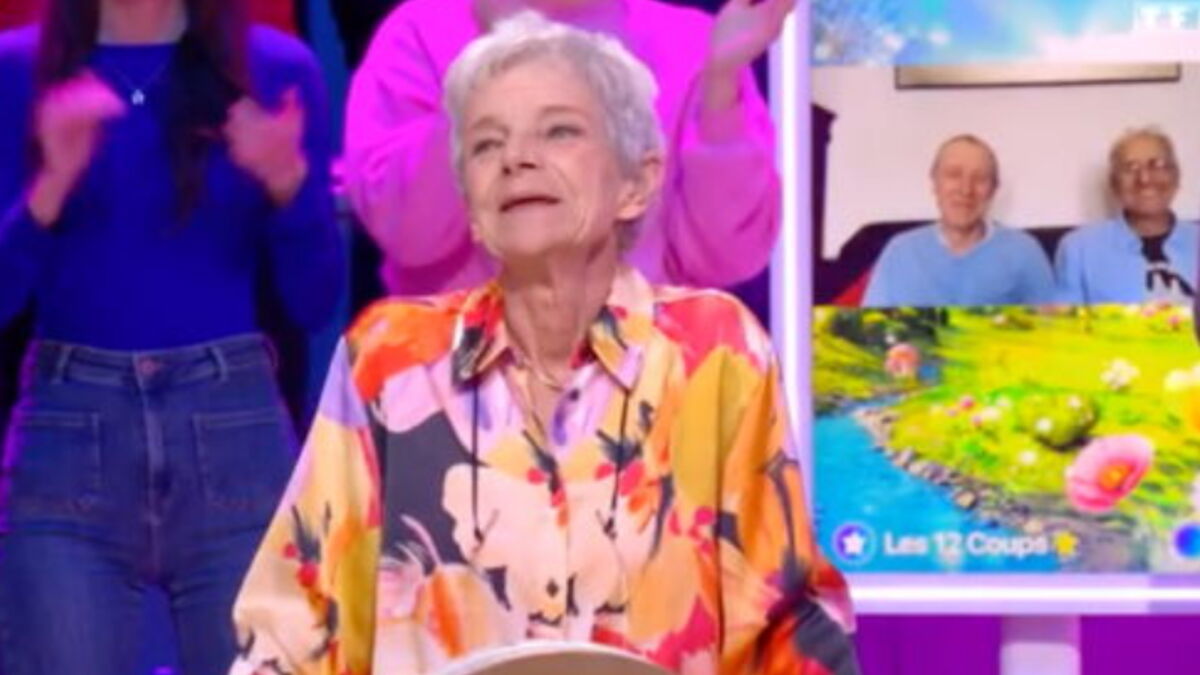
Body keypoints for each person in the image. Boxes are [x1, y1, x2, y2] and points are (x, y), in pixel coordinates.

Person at [231, 14, 858, 675]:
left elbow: (787, 618)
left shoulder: (715, 350)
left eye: (559, 131)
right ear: (472, 207)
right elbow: (292, 625)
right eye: (486, 144)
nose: (516, 158)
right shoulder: (391, 358)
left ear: (636, 184)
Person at [0, 0, 343, 672]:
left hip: (233, 429)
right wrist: (49, 187)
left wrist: (288, 182)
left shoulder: (275, 69)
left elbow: (315, 298)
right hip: (68, 434)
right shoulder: (18, 70)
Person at [342, 0, 790, 296]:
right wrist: (494, 59)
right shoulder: (420, 31)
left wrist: (721, 85)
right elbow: (408, 233)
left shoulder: (691, 40)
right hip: (458, 386)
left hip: (649, 388)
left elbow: (729, 257)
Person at [862, 134, 1055, 307]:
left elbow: (1053, 328)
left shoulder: (1025, 252)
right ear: (935, 183)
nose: (966, 190)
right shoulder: (899, 252)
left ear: (993, 190)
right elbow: (871, 329)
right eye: (954, 175)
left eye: (980, 178)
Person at [1056, 127, 1197, 304]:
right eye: (1131, 168)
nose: (1145, 179)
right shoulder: (1078, 250)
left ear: (1176, 176)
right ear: (1114, 183)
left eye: (1157, 165)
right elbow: (1066, 319)